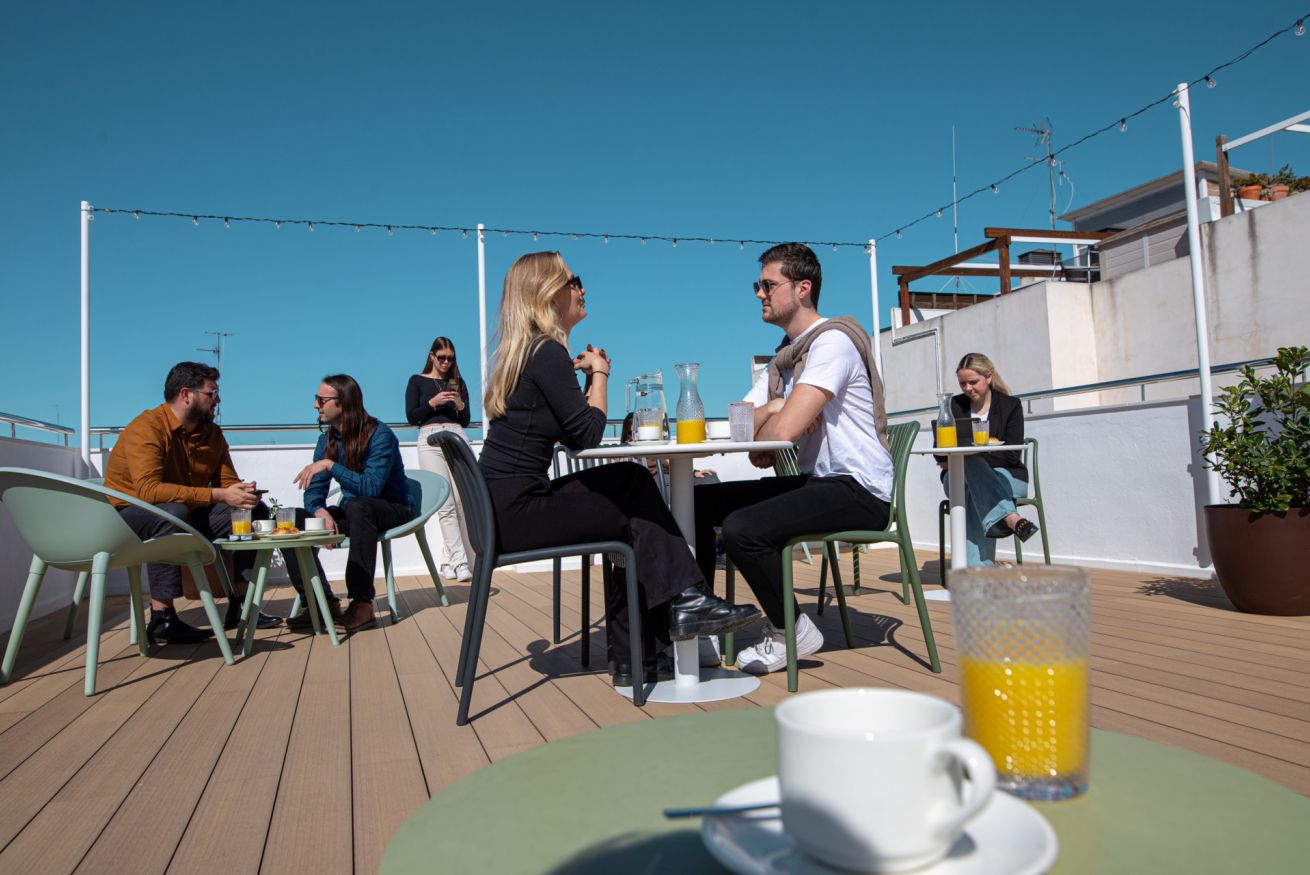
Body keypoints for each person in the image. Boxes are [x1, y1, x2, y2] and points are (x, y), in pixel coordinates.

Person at [477, 251, 758, 686]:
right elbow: (588, 436)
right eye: (573, 280)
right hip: (518, 513)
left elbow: (572, 434)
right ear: (548, 292)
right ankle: (682, 606)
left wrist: (588, 378)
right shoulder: (546, 353)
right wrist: (601, 374)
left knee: (628, 499)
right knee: (630, 486)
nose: (582, 288)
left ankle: (644, 650)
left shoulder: (530, 354)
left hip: (502, 511)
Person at [693, 243, 894, 675]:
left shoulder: (833, 343)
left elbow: (780, 436)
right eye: (758, 285)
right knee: (697, 504)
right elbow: (741, 427)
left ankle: (792, 629)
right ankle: (702, 627)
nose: (759, 293)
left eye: (768, 285)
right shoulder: (785, 358)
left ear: (802, 288)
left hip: (859, 489)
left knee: (742, 529)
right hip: (816, 482)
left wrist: (772, 425)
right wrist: (774, 407)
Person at [103, 361, 284, 644]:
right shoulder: (147, 428)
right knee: (171, 512)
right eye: (212, 393)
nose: (217, 400)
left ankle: (241, 603)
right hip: (128, 518)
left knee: (251, 510)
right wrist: (218, 495)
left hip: (184, 512)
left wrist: (241, 493)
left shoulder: (212, 434)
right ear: (186, 394)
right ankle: (162, 617)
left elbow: (227, 483)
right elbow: (149, 491)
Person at [290, 374, 416, 632]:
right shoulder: (326, 440)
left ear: (344, 402)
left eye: (321, 400)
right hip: (356, 511)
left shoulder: (380, 435)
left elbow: (371, 488)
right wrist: (319, 510)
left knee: (359, 506)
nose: (315, 405)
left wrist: (330, 465)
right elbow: (314, 490)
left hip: (393, 508)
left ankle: (362, 604)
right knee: (292, 518)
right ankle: (320, 601)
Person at [934, 353, 1037, 566]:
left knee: (971, 479)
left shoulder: (1010, 406)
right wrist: (979, 453)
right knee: (968, 464)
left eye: (973, 382)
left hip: (1007, 478)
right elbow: (940, 452)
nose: (967, 388)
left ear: (989, 377)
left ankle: (976, 573)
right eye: (962, 383)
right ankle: (1010, 517)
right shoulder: (955, 405)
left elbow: (1011, 456)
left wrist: (969, 454)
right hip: (957, 480)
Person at [406, 336, 473, 583]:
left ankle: (448, 559)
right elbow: (412, 416)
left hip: (456, 435)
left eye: (450, 358)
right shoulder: (416, 381)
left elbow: (466, 420)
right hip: (430, 439)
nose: (446, 362)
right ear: (432, 356)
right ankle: (461, 562)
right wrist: (432, 403)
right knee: (445, 503)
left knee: (463, 501)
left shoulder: (457, 382)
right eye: (442, 357)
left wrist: (460, 404)